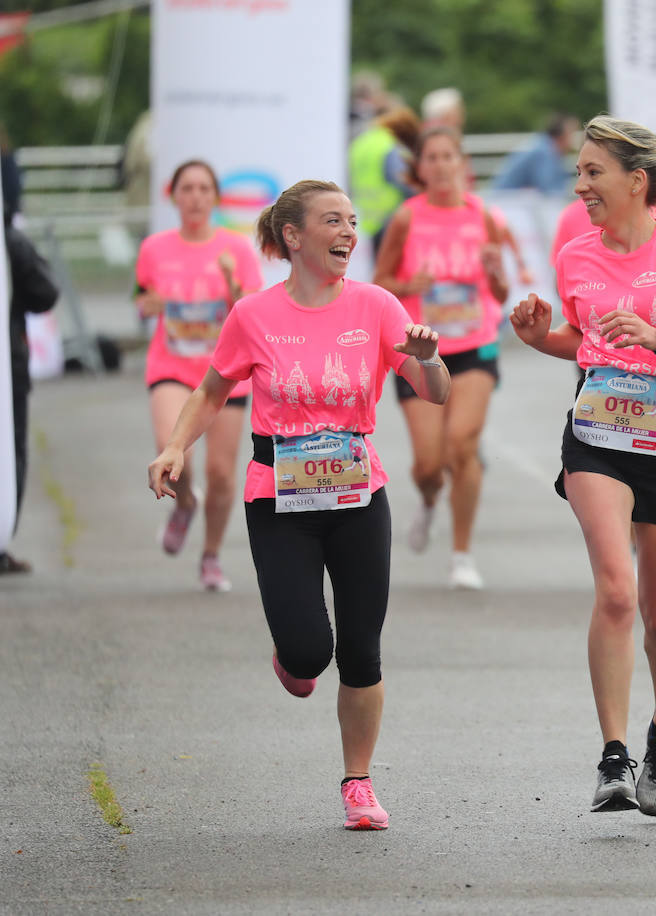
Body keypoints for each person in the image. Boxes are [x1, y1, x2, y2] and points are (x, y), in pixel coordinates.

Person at [147, 179, 450, 831]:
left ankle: (359, 783)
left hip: (357, 493)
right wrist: (175, 448)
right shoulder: (252, 316)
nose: (348, 232)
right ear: (293, 237)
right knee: (312, 650)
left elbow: (435, 392)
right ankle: (294, 657)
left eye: (352, 220)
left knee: (362, 651)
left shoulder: (375, 306)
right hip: (278, 497)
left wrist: (427, 362)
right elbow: (208, 391)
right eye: (332, 222)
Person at [510, 116, 656, 816]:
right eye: (579, 171)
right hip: (596, 430)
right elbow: (585, 344)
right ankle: (613, 758)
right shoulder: (577, 255)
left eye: (592, 172)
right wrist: (538, 338)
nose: (579, 183)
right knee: (616, 589)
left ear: (636, 180)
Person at [373, 126, 508, 589]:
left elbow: (502, 290)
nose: (441, 165)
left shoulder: (483, 215)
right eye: (431, 158)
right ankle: (430, 499)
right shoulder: (407, 219)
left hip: (475, 344)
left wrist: (497, 275)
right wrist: (411, 287)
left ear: (461, 163)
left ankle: (462, 554)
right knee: (429, 464)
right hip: (419, 349)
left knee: (463, 446)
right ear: (420, 168)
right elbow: (380, 281)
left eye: (448, 156)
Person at [135, 160, 264, 592]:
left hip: (226, 370)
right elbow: (142, 296)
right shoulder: (155, 248)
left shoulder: (237, 249)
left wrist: (229, 279)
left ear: (215, 197)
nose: (195, 197)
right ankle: (186, 503)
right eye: (186, 188)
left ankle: (210, 555)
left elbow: (251, 309)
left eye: (203, 188)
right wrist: (146, 305)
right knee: (170, 450)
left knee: (223, 474)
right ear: (173, 196)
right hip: (171, 365)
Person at [0, 215, 61, 577]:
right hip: (0, 367)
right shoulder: (5, 236)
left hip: (4, 365)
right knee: (6, 450)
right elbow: (44, 293)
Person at [348, 104, 421, 251]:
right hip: (391, 216)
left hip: (367, 218)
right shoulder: (388, 143)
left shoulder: (361, 143)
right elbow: (402, 180)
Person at [492, 112, 580, 195]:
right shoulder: (545, 152)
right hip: (507, 201)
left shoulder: (542, 144)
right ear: (562, 135)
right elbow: (549, 190)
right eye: (572, 133)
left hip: (506, 198)